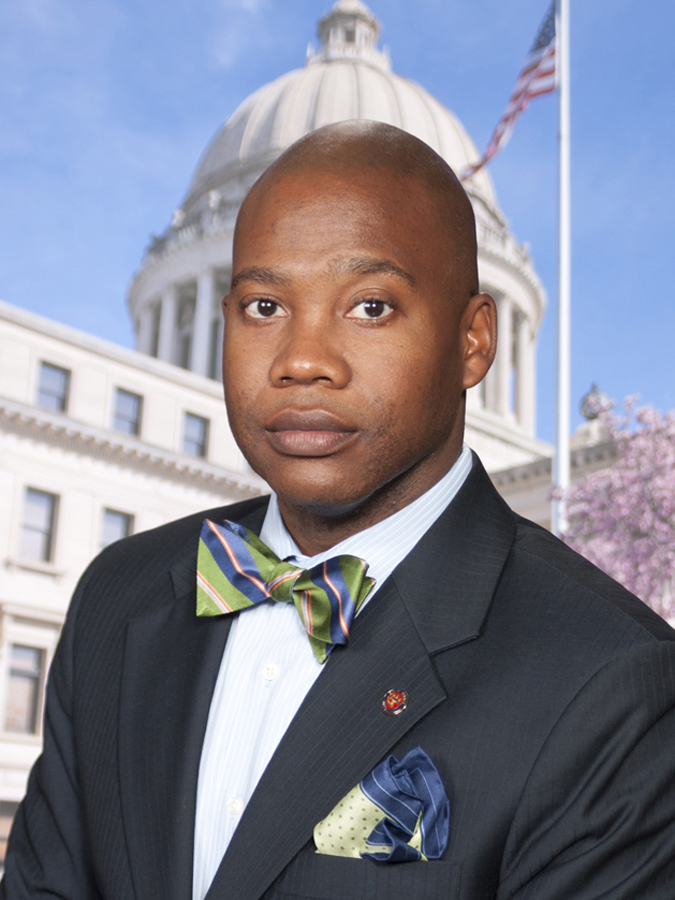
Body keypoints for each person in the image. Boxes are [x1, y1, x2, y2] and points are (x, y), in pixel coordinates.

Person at [3, 121, 675, 900]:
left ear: (473, 340)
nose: (301, 360)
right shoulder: (118, 595)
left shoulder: (610, 679)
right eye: (263, 305)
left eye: (369, 306)